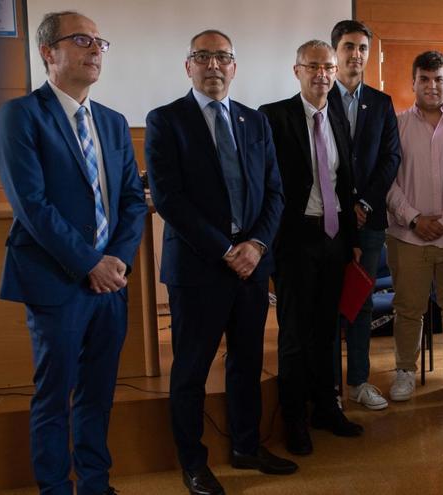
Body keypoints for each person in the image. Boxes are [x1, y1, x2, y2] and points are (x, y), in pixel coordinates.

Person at [0, 11, 147, 495]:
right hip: (56, 280)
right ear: (48, 52)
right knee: (54, 395)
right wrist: (89, 263)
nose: (95, 49)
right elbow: (32, 205)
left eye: (100, 42)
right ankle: (55, 488)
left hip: (112, 282)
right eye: (82, 40)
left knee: (99, 393)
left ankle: (96, 484)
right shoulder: (20, 115)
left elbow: (131, 201)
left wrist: (117, 261)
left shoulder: (113, 121)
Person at [146, 29, 294, 494]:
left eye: (223, 57)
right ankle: (193, 463)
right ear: (187, 66)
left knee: (247, 364)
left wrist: (256, 247)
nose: (214, 65)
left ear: (234, 67)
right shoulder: (165, 120)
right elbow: (169, 198)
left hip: (252, 268)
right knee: (190, 370)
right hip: (198, 268)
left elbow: (274, 192)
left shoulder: (254, 121)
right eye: (203, 57)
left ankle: (246, 447)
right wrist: (225, 250)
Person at [259, 40, 363, 458]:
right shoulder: (274, 117)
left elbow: (346, 182)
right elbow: (268, 184)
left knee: (327, 331)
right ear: (296, 70)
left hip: (335, 238)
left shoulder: (337, 116)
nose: (322, 74)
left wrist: (352, 243)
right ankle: (294, 420)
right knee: (296, 335)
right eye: (313, 66)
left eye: (328, 68)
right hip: (295, 240)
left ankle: (326, 409)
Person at [385, 51, 443, 402]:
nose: (431, 85)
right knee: (408, 308)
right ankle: (405, 372)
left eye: (438, 79)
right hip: (407, 234)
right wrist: (413, 217)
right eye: (424, 79)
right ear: (413, 83)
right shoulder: (396, 125)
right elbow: (387, 180)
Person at [327, 20, 401, 412]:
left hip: (369, 222)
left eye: (362, 49)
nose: (356, 55)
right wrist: (342, 206)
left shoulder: (382, 102)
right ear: (335, 51)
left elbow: (391, 159)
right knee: (325, 301)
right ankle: (327, 387)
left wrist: (366, 205)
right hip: (327, 220)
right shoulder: (320, 98)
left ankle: (358, 380)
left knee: (360, 300)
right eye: (349, 47)